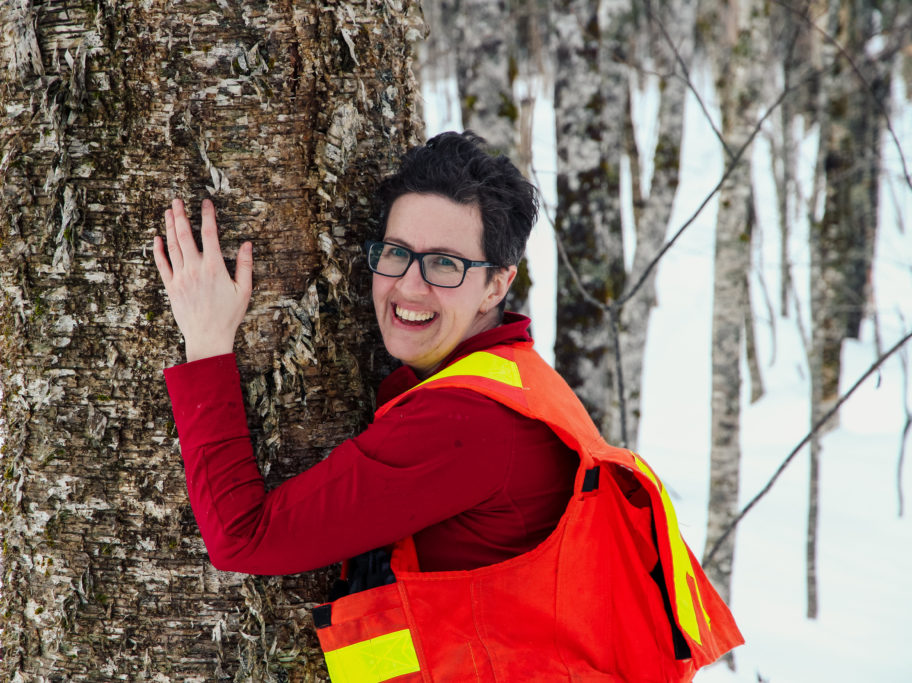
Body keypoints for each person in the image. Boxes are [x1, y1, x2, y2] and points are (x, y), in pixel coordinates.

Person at [154, 131, 742, 682]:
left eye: (445, 264)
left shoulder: (470, 423)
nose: (409, 287)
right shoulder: (517, 377)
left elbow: (243, 537)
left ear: (496, 285)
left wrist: (206, 346)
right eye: (397, 253)